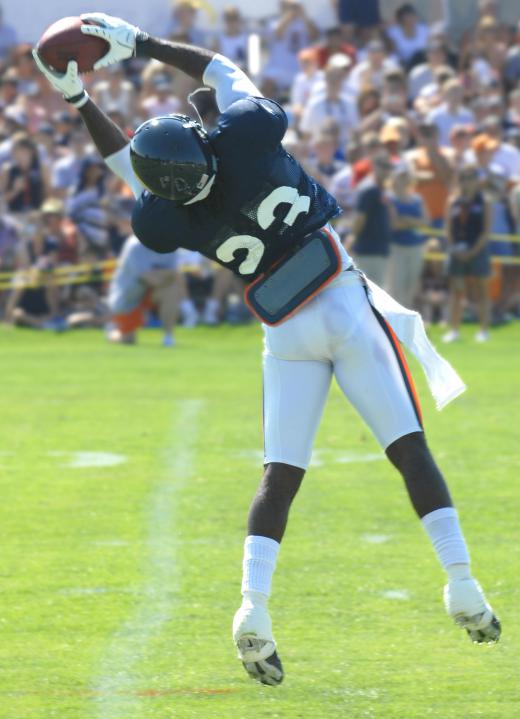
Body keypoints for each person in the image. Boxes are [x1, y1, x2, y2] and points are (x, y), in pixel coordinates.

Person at [33, 12, 500, 687]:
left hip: (283, 327)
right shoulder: (248, 139)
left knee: (279, 475)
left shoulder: (167, 217)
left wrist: (80, 100)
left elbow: (131, 170)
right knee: (408, 449)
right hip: (338, 298)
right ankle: (461, 583)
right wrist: (142, 45)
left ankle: (253, 604)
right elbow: (222, 73)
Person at [108, 232, 194, 347]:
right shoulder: (135, 246)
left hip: (153, 291)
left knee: (171, 289)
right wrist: (169, 274)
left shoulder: (171, 246)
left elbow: (172, 277)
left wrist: (169, 276)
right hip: (128, 297)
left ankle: (168, 337)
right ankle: (111, 331)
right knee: (128, 339)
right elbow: (149, 279)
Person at [442, 165, 492, 344]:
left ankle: (484, 330)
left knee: (481, 290)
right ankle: (454, 330)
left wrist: (473, 251)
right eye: (463, 177)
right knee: (456, 290)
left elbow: (486, 231)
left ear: (476, 180)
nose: (466, 182)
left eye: (470, 177)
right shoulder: (453, 200)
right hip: (457, 250)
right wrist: (454, 248)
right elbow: (447, 229)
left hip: (477, 249)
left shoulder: (483, 200)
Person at [387, 164, 429, 308]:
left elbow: (426, 221)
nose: (404, 180)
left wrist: (406, 220)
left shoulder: (417, 198)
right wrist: (414, 222)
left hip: (416, 246)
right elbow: (394, 224)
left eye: (406, 176)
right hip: (396, 247)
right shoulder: (389, 198)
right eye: (401, 177)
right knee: (396, 286)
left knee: (411, 286)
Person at [350, 152, 394, 285]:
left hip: (378, 250)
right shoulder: (369, 189)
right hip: (367, 251)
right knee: (369, 294)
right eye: (383, 166)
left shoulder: (381, 189)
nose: (387, 170)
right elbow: (360, 219)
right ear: (374, 166)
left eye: (389, 167)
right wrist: (352, 241)